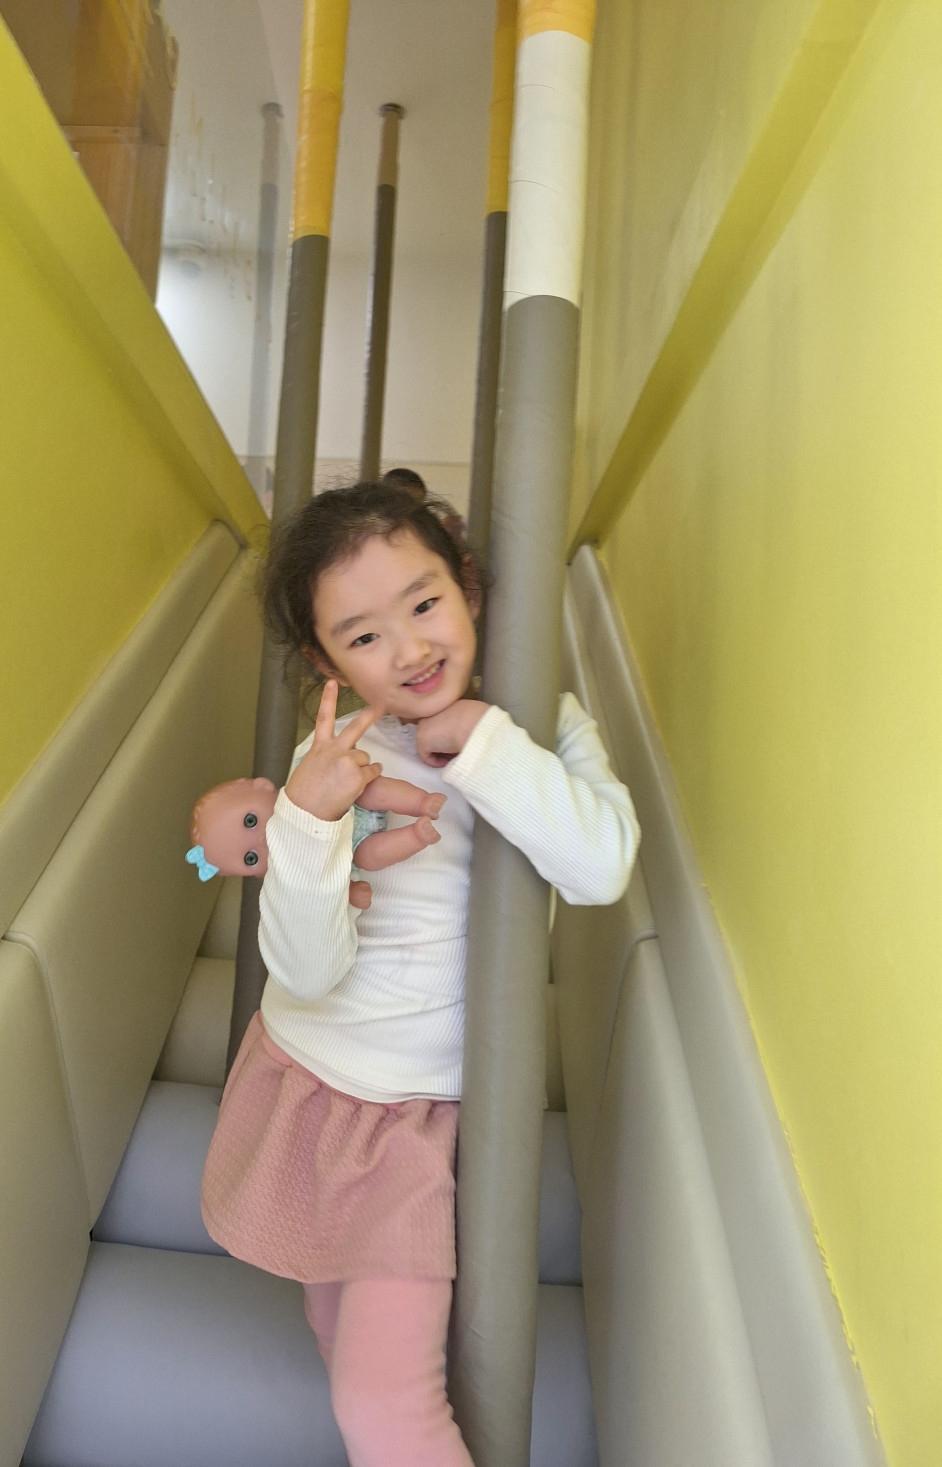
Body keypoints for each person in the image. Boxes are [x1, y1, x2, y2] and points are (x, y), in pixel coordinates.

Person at [200, 482, 639, 1466]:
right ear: (326, 664)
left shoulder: (542, 725)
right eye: (363, 637)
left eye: (423, 604)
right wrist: (307, 823)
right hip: (309, 1078)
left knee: (383, 1405)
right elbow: (304, 968)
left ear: (468, 587)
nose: (406, 650)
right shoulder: (337, 760)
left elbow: (601, 866)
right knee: (329, 1330)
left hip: (416, 1120)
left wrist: (484, 743)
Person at [186, 769, 446, 909]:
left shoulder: (302, 780)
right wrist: (350, 892)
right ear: (258, 874)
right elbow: (324, 887)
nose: (263, 840)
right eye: (251, 858)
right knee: (371, 857)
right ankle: (416, 836)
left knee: (375, 790)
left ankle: (421, 802)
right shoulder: (293, 873)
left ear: (263, 786)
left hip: (356, 803)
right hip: (355, 847)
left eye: (251, 821)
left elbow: (332, 771)